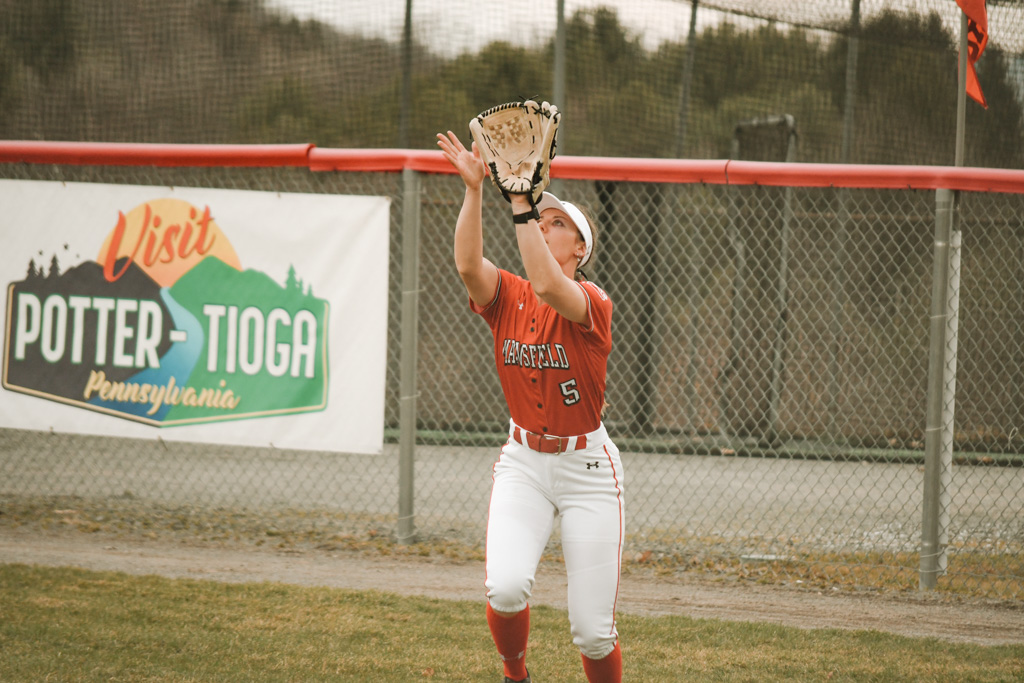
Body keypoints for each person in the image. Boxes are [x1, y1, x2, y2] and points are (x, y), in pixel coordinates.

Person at [436, 129, 625, 683]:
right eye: (542, 219)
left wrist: (522, 201)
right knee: (506, 586)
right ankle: (514, 676)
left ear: (580, 250)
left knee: (592, 632)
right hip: (524, 461)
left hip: (588, 468)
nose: (545, 224)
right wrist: (475, 191)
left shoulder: (591, 302)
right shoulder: (510, 295)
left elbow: (547, 283)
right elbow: (470, 268)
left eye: (558, 223)